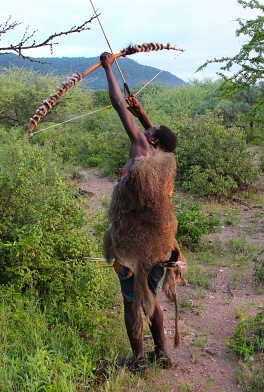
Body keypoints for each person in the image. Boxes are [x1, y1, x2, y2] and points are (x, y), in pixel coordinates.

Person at [100, 51, 178, 372]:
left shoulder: (141, 149)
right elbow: (165, 141)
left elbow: (119, 107)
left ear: (151, 140)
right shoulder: (165, 165)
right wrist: (144, 113)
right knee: (152, 297)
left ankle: (139, 363)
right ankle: (162, 354)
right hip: (160, 249)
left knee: (132, 302)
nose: (144, 130)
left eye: (149, 129)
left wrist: (108, 68)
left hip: (133, 249)